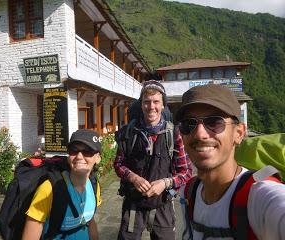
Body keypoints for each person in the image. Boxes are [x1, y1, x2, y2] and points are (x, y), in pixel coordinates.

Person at [176, 84, 285, 240]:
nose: (200, 134)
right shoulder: (189, 192)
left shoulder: (260, 198)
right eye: (188, 124)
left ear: (239, 133)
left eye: (214, 122)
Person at [114, 80, 192, 240]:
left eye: (156, 102)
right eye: (146, 102)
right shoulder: (129, 133)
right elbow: (118, 164)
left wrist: (165, 183)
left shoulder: (174, 133)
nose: (151, 107)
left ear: (163, 105)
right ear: (141, 105)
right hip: (133, 204)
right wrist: (133, 177)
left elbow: (186, 172)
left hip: (163, 203)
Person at [22, 129, 102, 240]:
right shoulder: (49, 189)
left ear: (98, 158)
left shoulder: (94, 186)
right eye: (74, 151)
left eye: (87, 151)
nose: (79, 156)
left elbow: (90, 221)